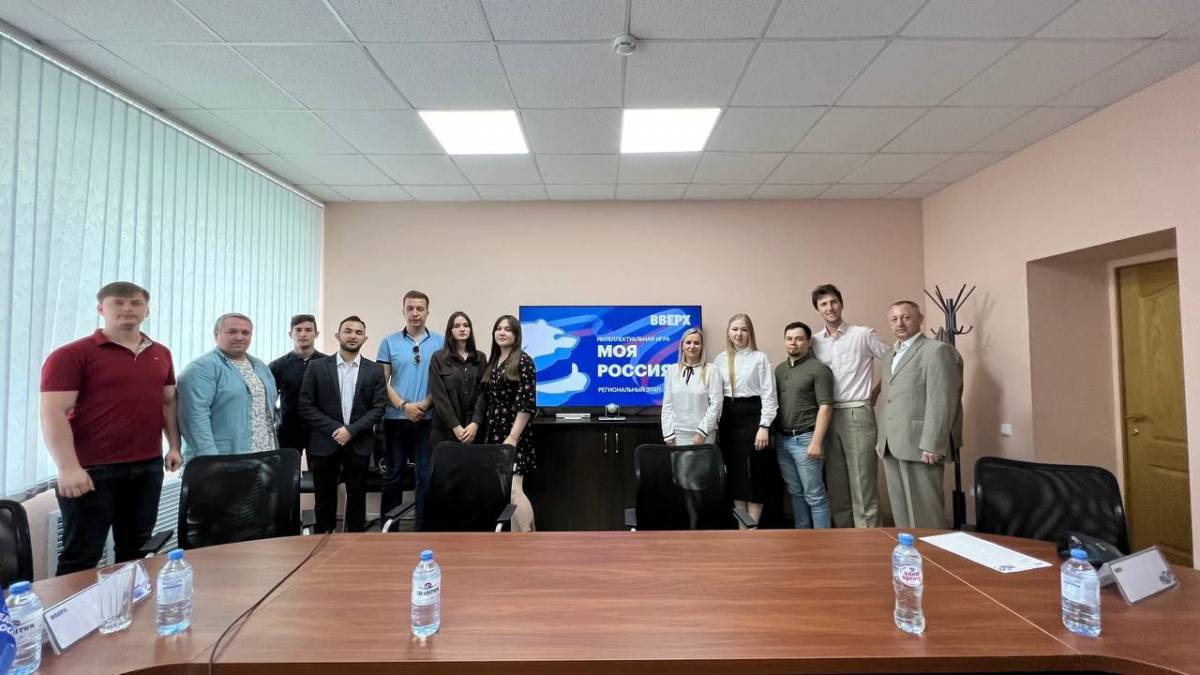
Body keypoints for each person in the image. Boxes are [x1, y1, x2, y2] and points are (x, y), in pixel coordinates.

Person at [40, 282, 181, 576]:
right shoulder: (72, 354)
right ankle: (75, 608)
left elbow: (168, 402)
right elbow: (53, 412)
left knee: (138, 549)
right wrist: (68, 468)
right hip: (92, 471)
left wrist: (174, 446)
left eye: (136, 303)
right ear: (101, 309)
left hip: (147, 467)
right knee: (82, 554)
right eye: (118, 302)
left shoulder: (161, 353)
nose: (127, 308)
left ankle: (130, 603)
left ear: (147, 310)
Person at [810, 283, 890, 528]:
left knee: (862, 481)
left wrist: (877, 391)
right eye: (823, 304)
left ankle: (868, 538)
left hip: (857, 413)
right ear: (817, 309)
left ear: (841, 304)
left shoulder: (862, 335)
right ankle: (844, 538)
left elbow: (895, 361)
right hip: (826, 415)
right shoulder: (814, 342)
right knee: (836, 485)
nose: (829, 307)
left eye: (833, 302)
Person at [298, 316, 386, 533]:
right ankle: (324, 542)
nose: (353, 336)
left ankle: (355, 544)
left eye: (358, 332)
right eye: (348, 331)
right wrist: (336, 429)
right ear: (338, 335)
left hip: (359, 443)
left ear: (365, 338)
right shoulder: (317, 367)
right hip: (324, 443)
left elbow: (378, 408)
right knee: (324, 500)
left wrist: (351, 431)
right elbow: (306, 406)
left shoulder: (374, 370)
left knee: (357, 499)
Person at [877, 301, 958, 529]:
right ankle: (909, 549)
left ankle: (931, 550)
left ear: (920, 319)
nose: (900, 323)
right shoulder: (890, 355)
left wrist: (933, 443)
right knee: (901, 509)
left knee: (925, 512)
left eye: (906, 317)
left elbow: (942, 399)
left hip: (921, 444)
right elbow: (889, 398)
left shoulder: (937, 351)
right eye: (894, 319)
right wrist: (882, 438)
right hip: (891, 443)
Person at [377, 290, 444, 529]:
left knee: (425, 476)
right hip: (395, 418)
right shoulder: (388, 342)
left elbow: (442, 382)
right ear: (403, 311)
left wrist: (424, 405)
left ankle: (422, 530)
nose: (415, 313)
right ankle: (389, 530)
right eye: (410, 308)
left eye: (420, 309)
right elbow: (383, 381)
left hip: (428, 419)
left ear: (427, 312)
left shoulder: (440, 342)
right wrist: (403, 407)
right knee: (393, 475)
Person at [178, 313, 278, 462]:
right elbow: (194, 419)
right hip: (222, 459)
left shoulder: (260, 367)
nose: (240, 337)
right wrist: (211, 461)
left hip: (263, 456)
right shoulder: (201, 369)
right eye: (232, 332)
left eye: (245, 333)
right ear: (216, 334)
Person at [712, 314, 778, 527]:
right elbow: (715, 396)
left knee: (755, 475)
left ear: (750, 333)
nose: (738, 334)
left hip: (753, 418)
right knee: (736, 476)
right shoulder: (720, 360)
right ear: (728, 332)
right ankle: (742, 529)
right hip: (728, 420)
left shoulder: (760, 358)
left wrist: (764, 426)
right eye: (735, 329)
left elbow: (769, 396)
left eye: (743, 329)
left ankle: (753, 529)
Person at [473, 315, 537, 531]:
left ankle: (528, 537)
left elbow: (526, 404)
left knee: (514, 490)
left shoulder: (524, 361)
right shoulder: (494, 360)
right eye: (498, 328)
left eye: (508, 329)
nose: (502, 332)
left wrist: (513, 437)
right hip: (494, 433)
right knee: (505, 491)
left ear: (516, 335)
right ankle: (516, 540)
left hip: (513, 434)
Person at [774, 322, 834, 529]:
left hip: (806, 439)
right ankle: (802, 537)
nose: (793, 343)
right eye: (789, 338)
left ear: (808, 342)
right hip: (782, 440)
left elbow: (826, 407)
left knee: (815, 495)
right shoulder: (779, 370)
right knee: (795, 493)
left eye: (799, 339)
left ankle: (822, 540)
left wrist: (816, 442)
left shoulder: (819, 369)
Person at [270, 314, 326, 458]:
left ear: (316, 334)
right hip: (287, 430)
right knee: (286, 471)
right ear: (290, 334)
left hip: (320, 430)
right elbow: (268, 399)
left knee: (322, 472)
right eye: (298, 330)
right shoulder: (277, 366)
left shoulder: (328, 364)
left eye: (308, 330)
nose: (303, 334)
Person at [428, 311, 486, 451]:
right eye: (457, 326)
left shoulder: (480, 358)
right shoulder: (438, 358)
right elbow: (439, 395)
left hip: (474, 430)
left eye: (466, 325)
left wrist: (475, 423)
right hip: (445, 430)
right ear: (450, 331)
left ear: (470, 330)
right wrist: (455, 425)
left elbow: (484, 393)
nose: (462, 329)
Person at [660, 327, 722, 446]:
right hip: (677, 434)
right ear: (682, 346)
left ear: (702, 347)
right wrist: (668, 434)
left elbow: (716, 405)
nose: (692, 346)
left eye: (696, 343)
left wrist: (702, 433)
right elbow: (667, 406)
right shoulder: (671, 371)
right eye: (688, 342)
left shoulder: (712, 370)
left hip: (704, 434)